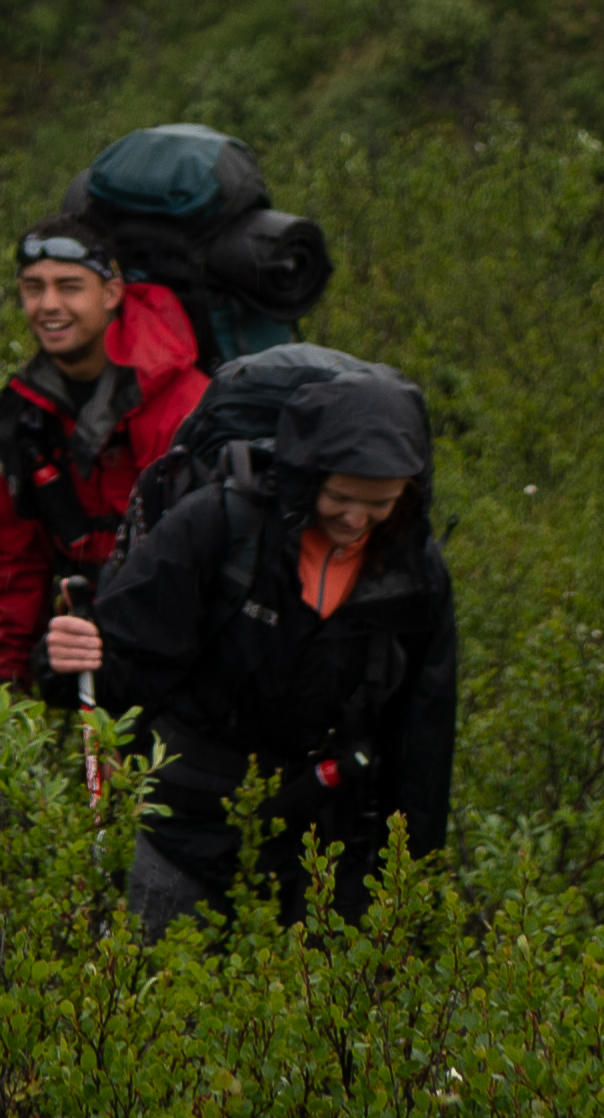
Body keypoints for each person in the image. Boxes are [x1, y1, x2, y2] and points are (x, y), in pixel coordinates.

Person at [86, 348, 455, 927]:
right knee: (161, 1005)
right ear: (308, 474)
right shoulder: (219, 524)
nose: (356, 520)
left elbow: (423, 739)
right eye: (340, 497)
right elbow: (124, 666)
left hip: (320, 842)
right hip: (181, 828)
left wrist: (409, 891)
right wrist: (64, 663)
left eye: (379, 503)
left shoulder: (416, 575)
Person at [0, 222, 210, 739]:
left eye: (69, 286)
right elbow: (9, 560)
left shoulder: (182, 401)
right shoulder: (18, 420)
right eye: (33, 287)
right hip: (80, 646)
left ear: (113, 294)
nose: (48, 304)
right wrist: (7, 684)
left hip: (184, 658)